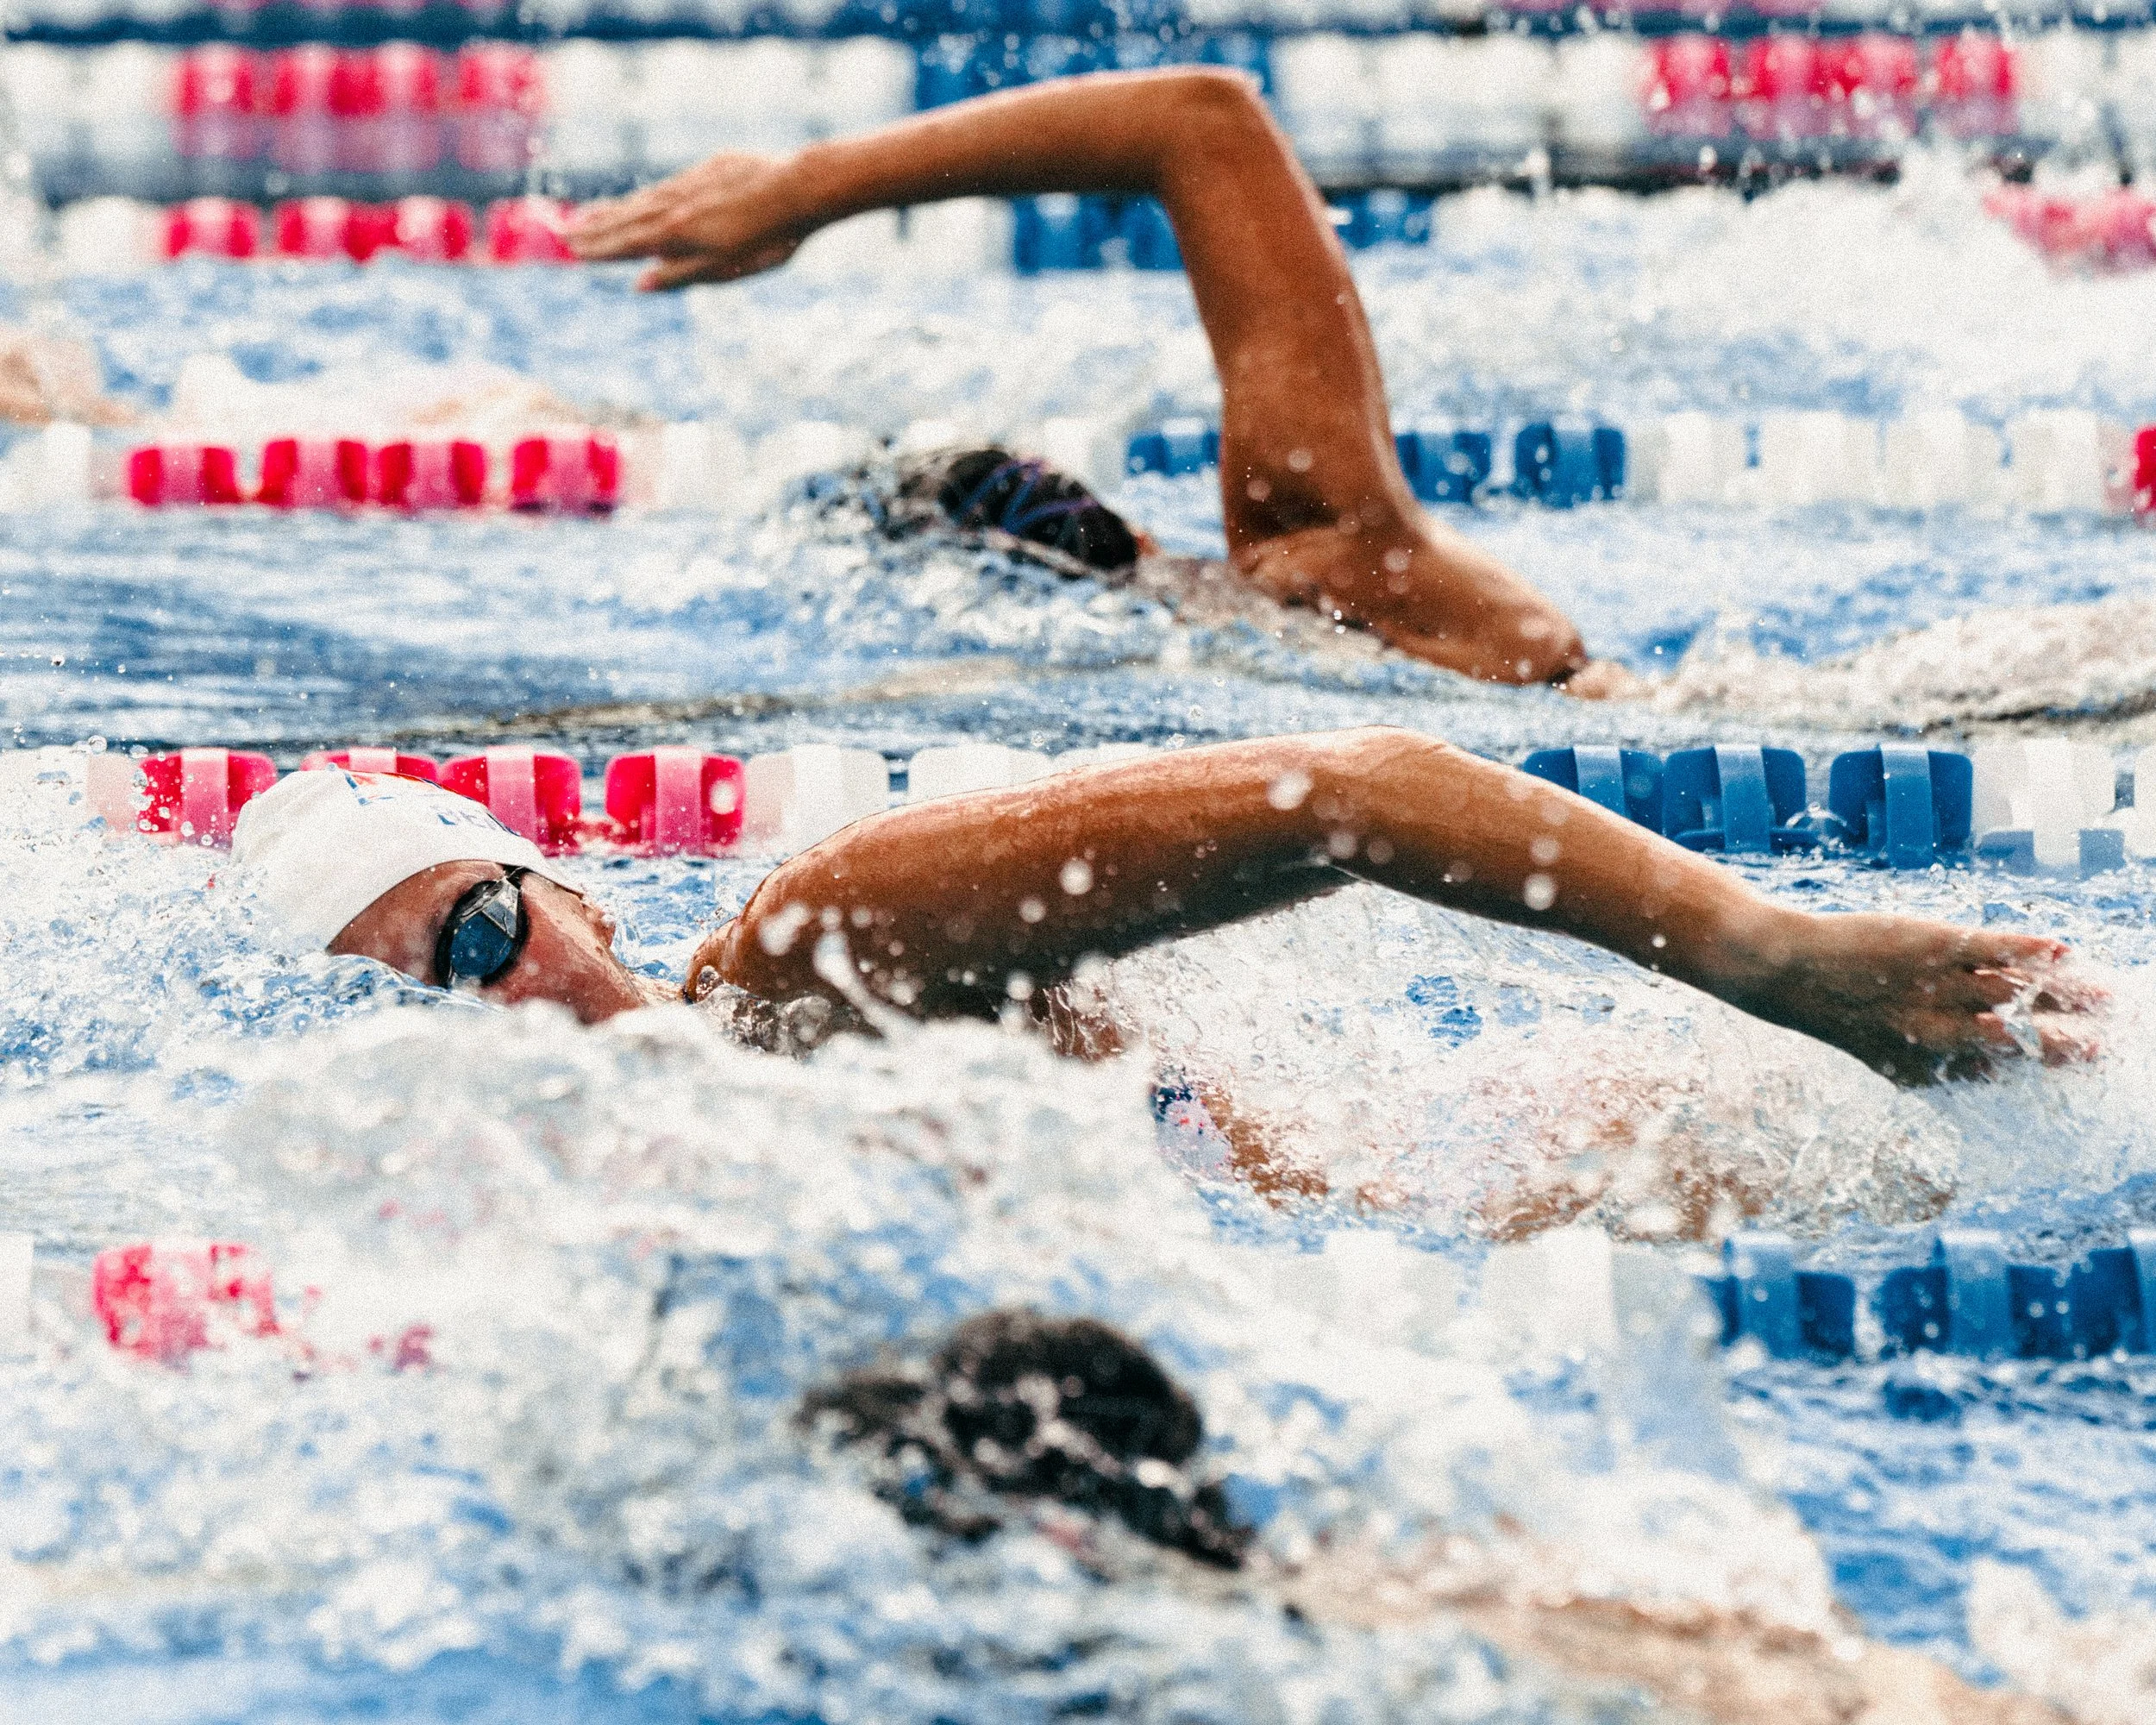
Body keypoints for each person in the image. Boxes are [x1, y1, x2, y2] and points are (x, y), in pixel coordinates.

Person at [231, 729, 2090, 1101]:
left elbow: (1351, 795)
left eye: (478, 935)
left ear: (557, 881)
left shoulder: (813, 957)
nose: (501, 1010)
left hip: (1548, 1203)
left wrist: (1761, 950)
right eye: (418, 1005)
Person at [567, 66, 1613, 690]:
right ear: (1131, 528)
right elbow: (1203, 120)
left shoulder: (1290, 602)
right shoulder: (1327, 547)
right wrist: (805, 188)